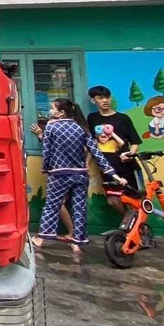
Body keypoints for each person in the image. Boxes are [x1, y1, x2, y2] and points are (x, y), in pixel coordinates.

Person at [30, 98, 124, 257]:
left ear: (61, 112)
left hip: (59, 174)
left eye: (53, 109)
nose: (50, 111)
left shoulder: (52, 126)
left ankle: (41, 239)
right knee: (79, 208)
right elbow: (96, 153)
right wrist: (114, 175)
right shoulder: (82, 128)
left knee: (52, 205)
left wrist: (45, 167)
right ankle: (76, 243)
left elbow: (47, 150)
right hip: (80, 174)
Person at [86, 85, 142, 216]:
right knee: (113, 201)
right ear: (93, 100)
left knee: (132, 200)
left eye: (107, 97)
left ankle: (136, 229)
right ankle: (128, 224)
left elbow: (135, 142)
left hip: (126, 167)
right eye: (100, 98)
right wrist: (87, 163)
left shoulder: (123, 118)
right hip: (106, 168)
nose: (105, 100)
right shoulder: (92, 118)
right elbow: (93, 143)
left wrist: (130, 154)